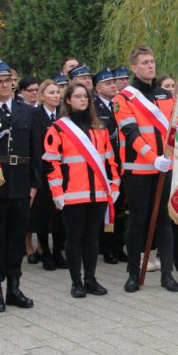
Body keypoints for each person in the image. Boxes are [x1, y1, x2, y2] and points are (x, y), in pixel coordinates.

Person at [43, 83, 120, 298]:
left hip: (99, 193)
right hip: (72, 194)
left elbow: (110, 161)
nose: (83, 100)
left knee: (92, 238)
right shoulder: (58, 128)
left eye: (85, 96)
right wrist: (57, 192)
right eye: (77, 96)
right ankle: (76, 282)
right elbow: (51, 163)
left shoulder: (99, 128)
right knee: (74, 239)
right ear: (68, 100)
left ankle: (91, 279)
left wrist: (114, 185)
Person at [113, 46, 178, 293]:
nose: (150, 66)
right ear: (134, 67)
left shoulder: (165, 95)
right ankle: (133, 273)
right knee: (137, 222)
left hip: (164, 167)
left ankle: (167, 274)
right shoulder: (124, 98)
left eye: (152, 61)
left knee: (163, 220)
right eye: (144, 62)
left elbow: (176, 128)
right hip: (138, 169)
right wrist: (152, 158)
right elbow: (131, 133)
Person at [0, 60, 44, 312]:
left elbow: (36, 149)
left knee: (17, 238)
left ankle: (14, 288)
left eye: (9, 81)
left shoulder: (26, 111)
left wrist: (34, 183)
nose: (5, 85)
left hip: (20, 182)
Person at [31, 79, 67, 270]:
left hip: (62, 171)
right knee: (44, 215)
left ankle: (58, 252)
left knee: (60, 215)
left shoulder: (63, 115)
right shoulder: (35, 115)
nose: (56, 96)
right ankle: (44, 252)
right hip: (44, 171)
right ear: (42, 95)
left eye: (57, 92)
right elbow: (36, 145)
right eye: (51, 92)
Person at [93, 69, 127, 265]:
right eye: (107, 83)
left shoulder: (120, 104)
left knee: (121, 207)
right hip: (105, 165)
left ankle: (118, 246)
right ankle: (107, 249)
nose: (113, 85)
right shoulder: (94, 108)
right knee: (108, 208)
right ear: (97, 88)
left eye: (114, 82)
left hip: (122, 163)